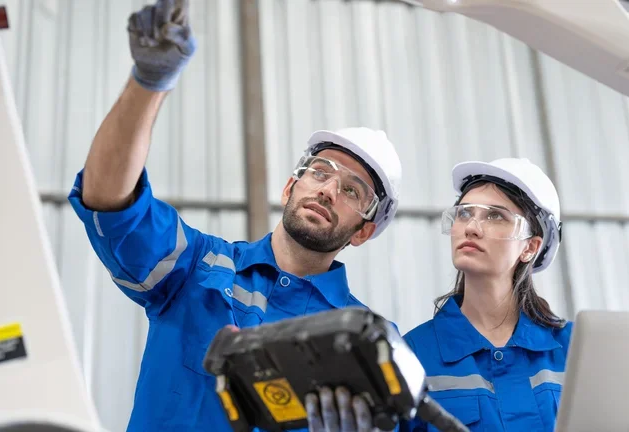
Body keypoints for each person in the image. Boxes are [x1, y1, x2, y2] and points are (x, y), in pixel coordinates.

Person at [66, 1, 402, 430]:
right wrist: (149, 82)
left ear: (363, 231)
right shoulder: (194, 268)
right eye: (320, 172)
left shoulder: (364, 339)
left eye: (352, 190)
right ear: (289, 187)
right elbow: (110, 203)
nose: (328, 190)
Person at [400, 158, 570, 432]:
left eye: (495, 216)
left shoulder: (573, 349)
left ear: (530, 248)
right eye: (465, 213)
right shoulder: (412, 354)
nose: (471, 227)